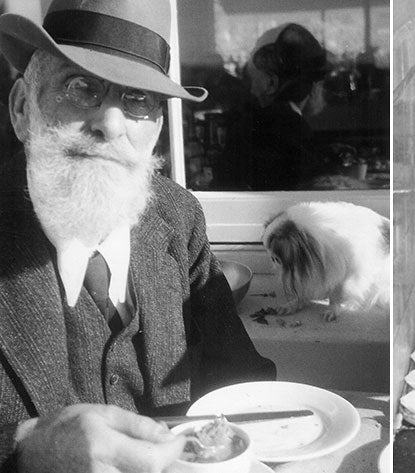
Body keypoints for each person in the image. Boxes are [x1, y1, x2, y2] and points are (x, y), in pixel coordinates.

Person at [0, 1, 276, 471]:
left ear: (159, 129)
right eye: (81, 86)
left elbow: (241, 382)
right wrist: (24, 446)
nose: (110, 124)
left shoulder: (177, 217)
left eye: (138, 100)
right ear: (24, 108)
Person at [217, 23, 333, 190]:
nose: (251, 89)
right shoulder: (295, 129)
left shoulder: (244, 127)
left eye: (252, 79)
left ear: (272, 84)